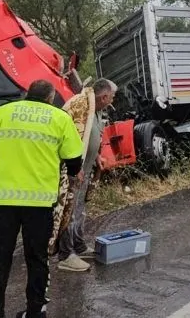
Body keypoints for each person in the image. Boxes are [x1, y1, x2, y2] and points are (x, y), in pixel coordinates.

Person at [0, 80, 84, 318]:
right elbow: (74, 158)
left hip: (4, 203)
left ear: (27, 94)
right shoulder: (60, 118)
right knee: (37, 259)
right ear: (50, 98)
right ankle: (35, 311)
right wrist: (74, 174)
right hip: (40, 204)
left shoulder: (2, 113)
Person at [56, 78, 117, 272]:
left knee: (79, 210)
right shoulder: (79, 105)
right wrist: (74, 166)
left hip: (85, 169)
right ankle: (66, 255)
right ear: (104, 96)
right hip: (73, 169)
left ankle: (79, 245)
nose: (113, 100)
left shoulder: (96, 109)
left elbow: (89, 136)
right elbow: (64, 136)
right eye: (112, 97)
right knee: (69, 211)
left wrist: (96, 155)